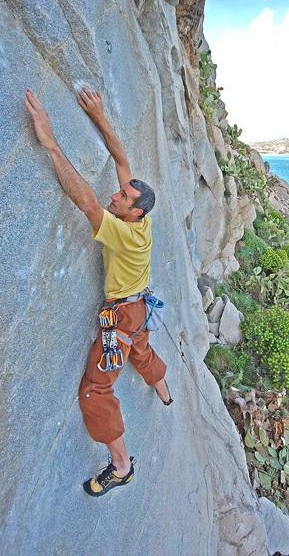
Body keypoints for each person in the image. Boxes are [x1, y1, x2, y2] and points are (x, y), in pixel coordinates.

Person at [24, 86, 172, 497]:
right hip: (140, 305)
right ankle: (163, 389)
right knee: (140, 349)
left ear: (134, 212)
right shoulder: (140, 216)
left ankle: (122, 465)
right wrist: (100, 115)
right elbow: (122, 160)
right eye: (121, 192)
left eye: (122, 197)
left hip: (123, 313)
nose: (115, 195)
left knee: (95, 388)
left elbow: (87, 202)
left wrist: (50, 142)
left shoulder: (125, 233)